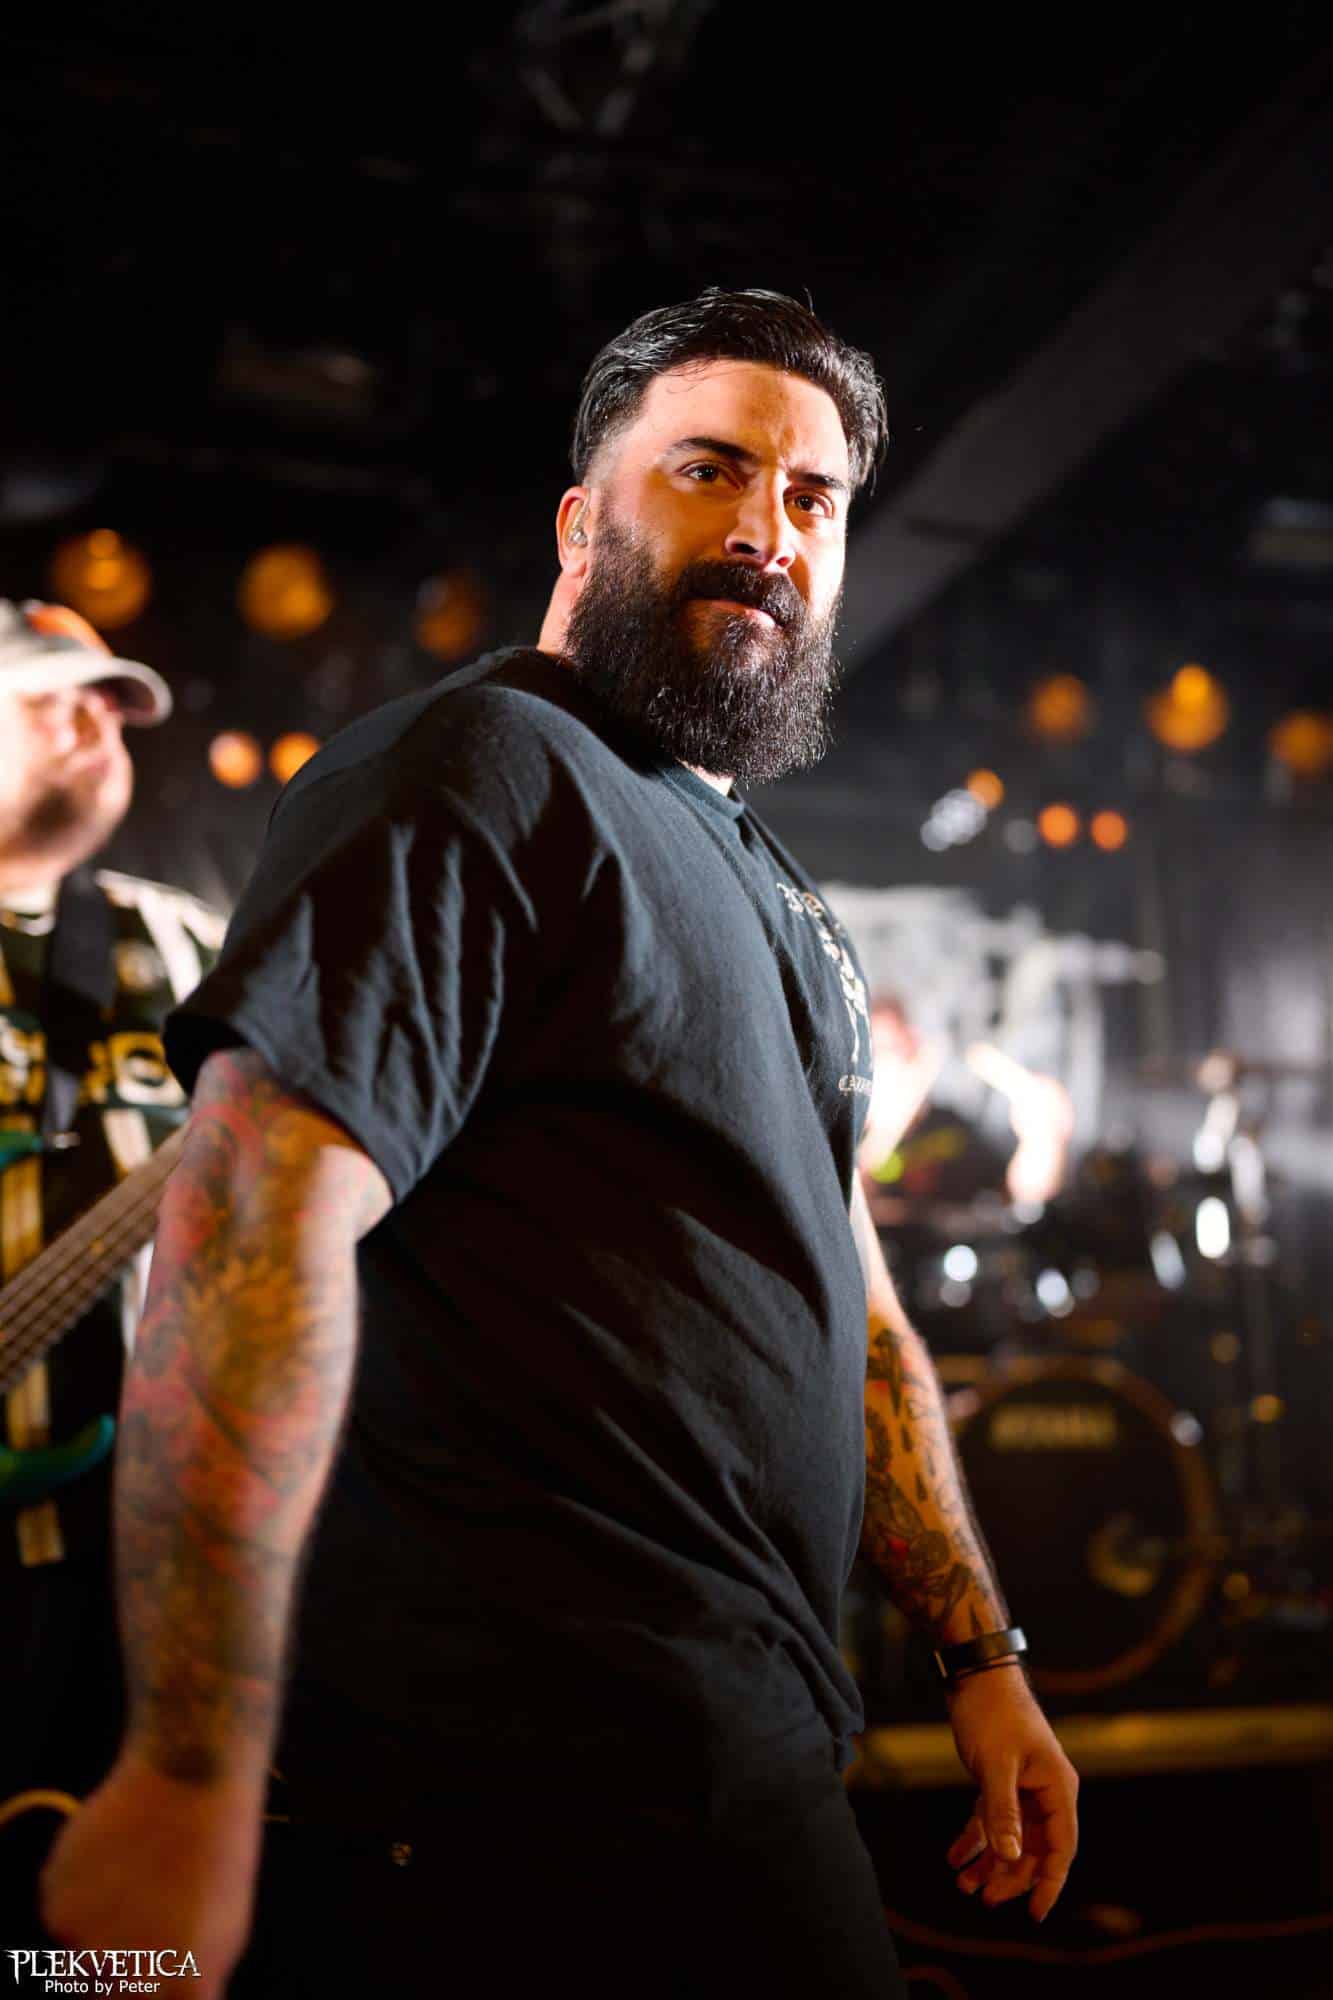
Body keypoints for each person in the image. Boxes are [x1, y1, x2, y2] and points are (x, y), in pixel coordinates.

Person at [42, 291, 1079, 1997]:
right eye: (707, 469)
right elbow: (248, 1226)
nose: (764, 529)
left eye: (811, 497)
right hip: (511, 1785)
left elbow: (857, 1304)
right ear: (581, 522)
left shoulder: (766, 879)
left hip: (736, 1743)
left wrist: (979, 1652)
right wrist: (188, 1771)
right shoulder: (482, 766)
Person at [0, 599, 225, 1930]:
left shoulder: (183, 944)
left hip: (160, 1552)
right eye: (49, 697)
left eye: (111, 705)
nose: (95, 723)